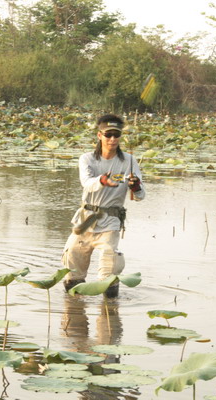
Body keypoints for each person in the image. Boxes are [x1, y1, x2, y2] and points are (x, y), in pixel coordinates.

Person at [61, 114, 146, 297]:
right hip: (85, 219)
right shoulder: (87, 159)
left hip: (111, 221)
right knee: (72, 267)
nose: (112, 139)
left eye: (116, 135)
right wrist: (103, 180)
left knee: (109, 268)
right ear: (99, 135)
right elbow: (86, 182)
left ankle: (109, 315)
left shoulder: (129, 161)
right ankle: (74, 314)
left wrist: (136, 186)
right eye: (108, 135)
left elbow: (141, 196)